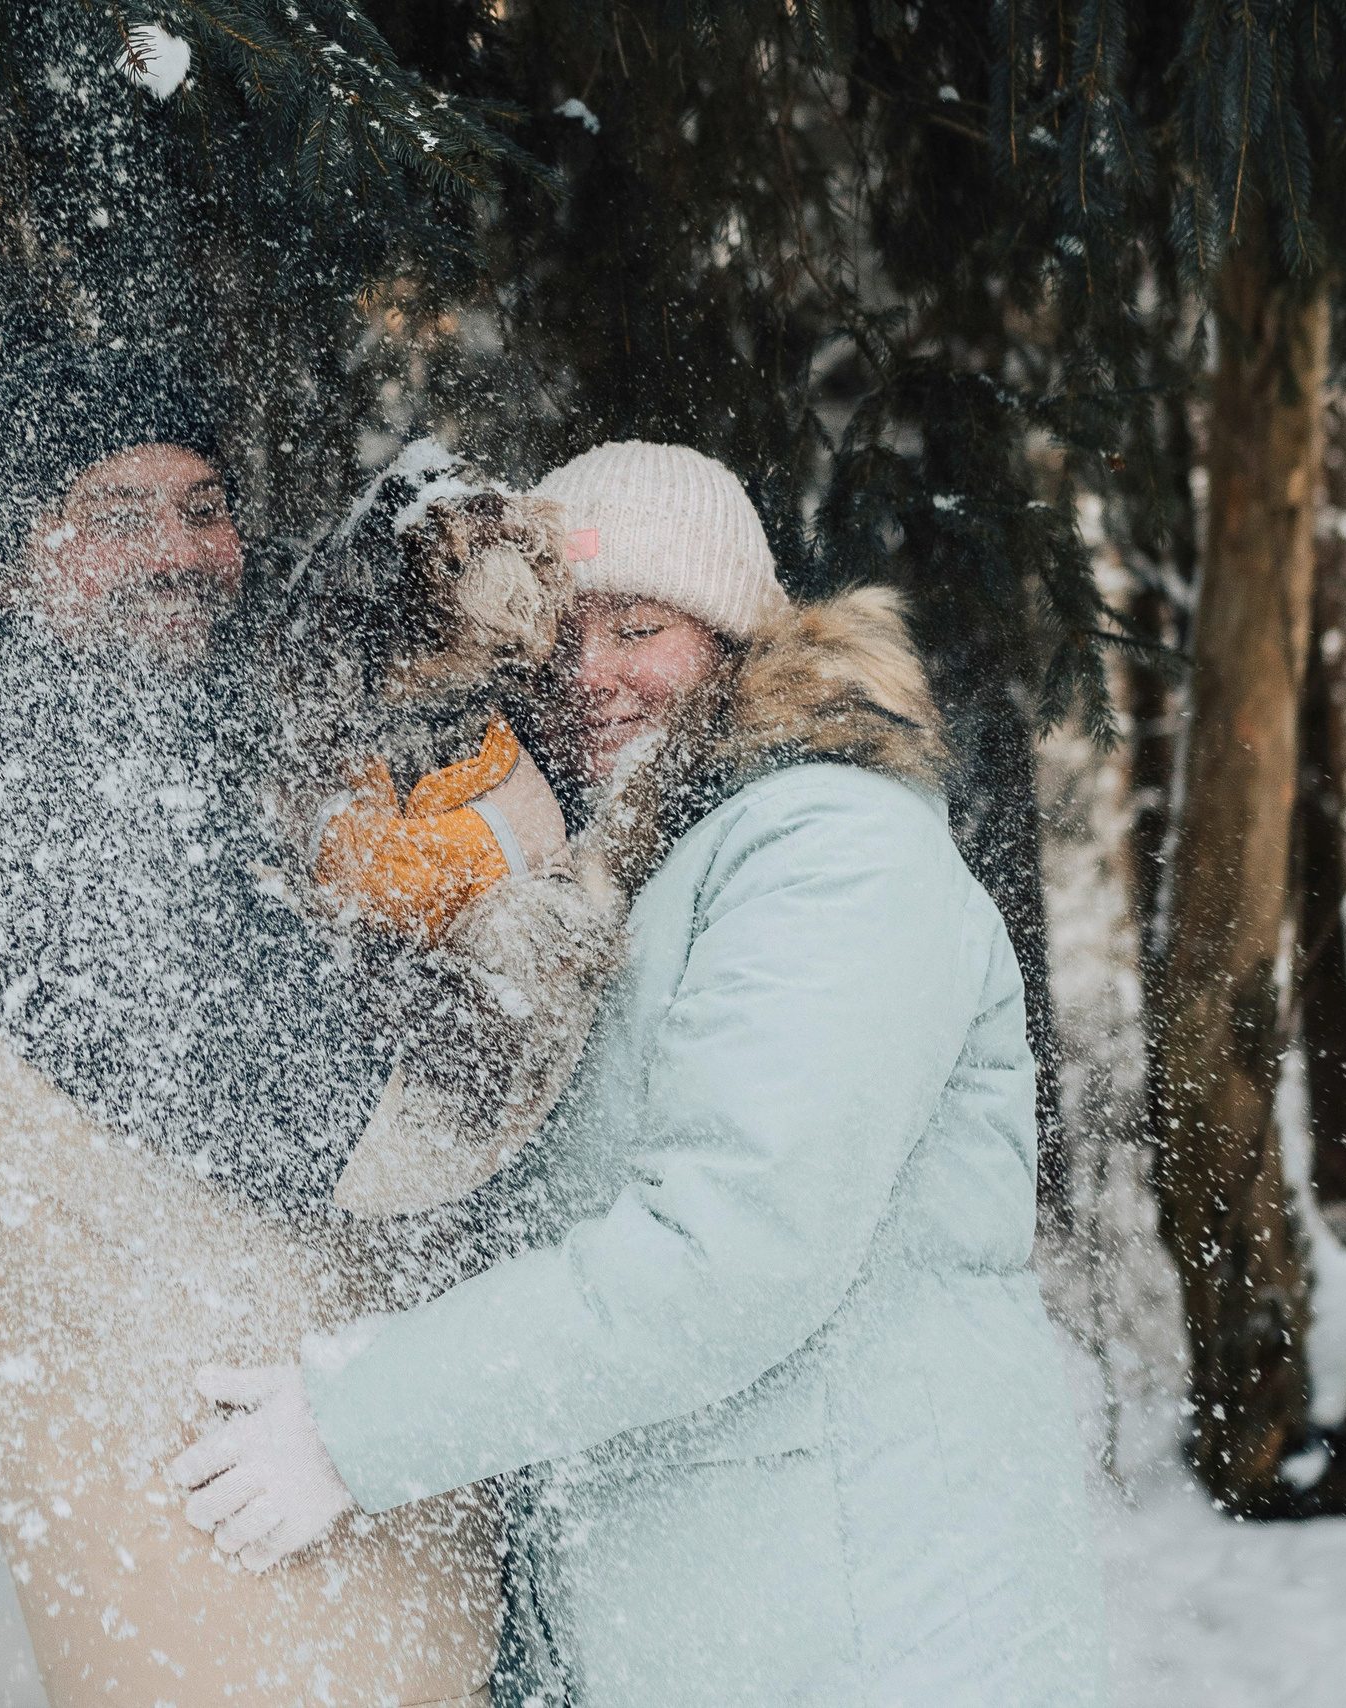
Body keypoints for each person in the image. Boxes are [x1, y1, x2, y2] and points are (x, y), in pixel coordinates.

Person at [173, 441, 1109, 1705]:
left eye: (638, 628)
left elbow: (731, 1251)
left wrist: (359, 1424)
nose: (593, 677)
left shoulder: (830, 849)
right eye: (560, 639)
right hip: (712, 1633)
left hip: (875, 1634)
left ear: (734, 640)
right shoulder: (622, 880)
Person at [0, 344, 510, 1707]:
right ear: (12, 558)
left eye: (202, 507)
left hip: (283, 1499)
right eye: (116, 515)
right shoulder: (28, 788)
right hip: (234, 1544)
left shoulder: (157, 747)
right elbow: (381, 1129)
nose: (181, 553)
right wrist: (545, 917)